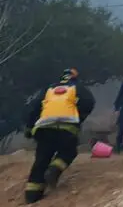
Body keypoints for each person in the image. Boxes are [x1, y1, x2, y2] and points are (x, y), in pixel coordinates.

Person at [23, 68, 95, 204]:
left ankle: (32, 195)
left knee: (41, 159)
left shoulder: (49, 89)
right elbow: (89, 102)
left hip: (44, 128)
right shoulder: (79, 88)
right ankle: (54, 170)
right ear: (75, 78)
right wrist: (79, 116)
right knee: (69, 152)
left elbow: (34, 107)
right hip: (67, 128)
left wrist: (29, 127)